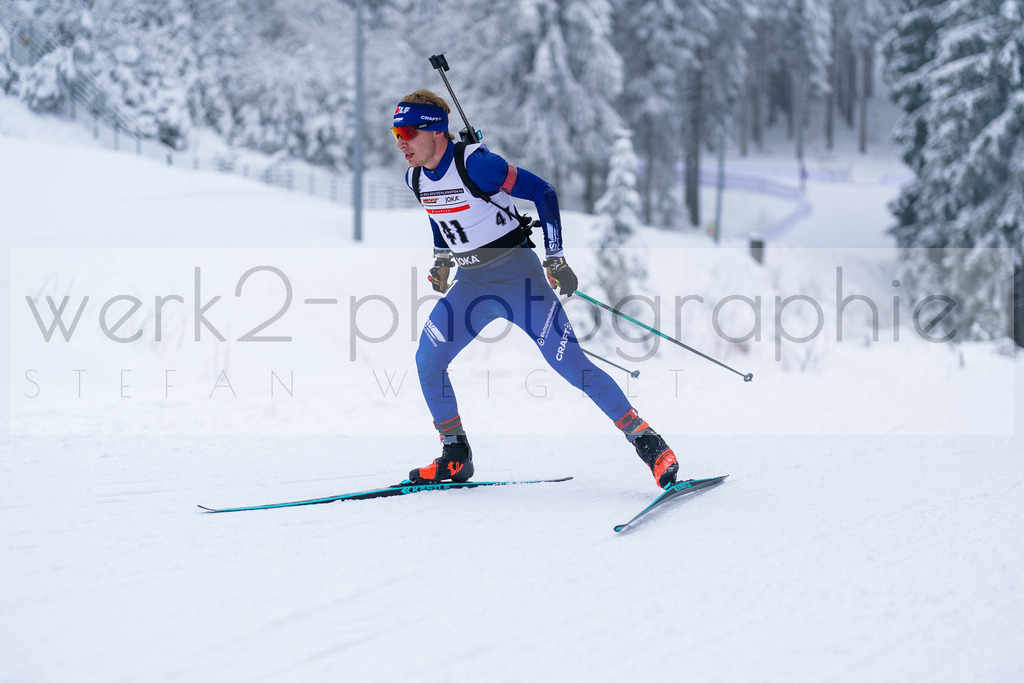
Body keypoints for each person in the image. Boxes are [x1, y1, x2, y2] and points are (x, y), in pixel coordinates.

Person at [393, 89, 679, 489]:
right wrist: (442, 259)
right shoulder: (415, 176)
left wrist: (556, 257)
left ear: (437, 132)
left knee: (571, 366)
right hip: (471, 285)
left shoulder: (479, 166)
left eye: (407, 131)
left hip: (519, 280)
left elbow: (544, 192)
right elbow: (435, 212)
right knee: (428, 358)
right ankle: (455, 454)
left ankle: (649, 443)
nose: (401, 142)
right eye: (395, 134)